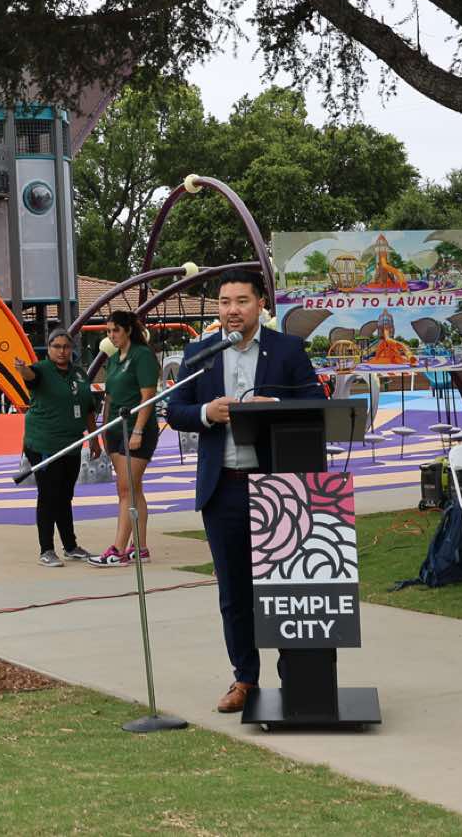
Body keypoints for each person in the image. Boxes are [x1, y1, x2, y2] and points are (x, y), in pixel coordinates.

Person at [165, 269, 321, 713]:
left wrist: (275, 406)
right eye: (224, 302)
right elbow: (174, 410)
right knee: (233, 593)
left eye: (241, 301)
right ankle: (244, 679)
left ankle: (296, 678)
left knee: (285, 586)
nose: (232, 310)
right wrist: (206, 412)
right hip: (223, 490)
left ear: (260, 305)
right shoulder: (200, 353)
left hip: (277, 489)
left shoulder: (287, 349)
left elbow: (316, 401)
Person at [87, 310, 161, 567]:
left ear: (128, 330)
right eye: (108, 331)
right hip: (115, 430)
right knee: (132, 488)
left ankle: (118, 549)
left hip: (137, 430)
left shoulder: (142, 356)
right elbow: (109, 398)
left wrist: (138, 430)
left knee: (126, 487)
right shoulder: (114, 360)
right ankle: (139, 548)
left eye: (115, 330)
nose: (111, 336)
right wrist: (104, 430)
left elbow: (147, 396)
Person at [19, 329, 94, 567]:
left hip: (72, 445)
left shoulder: (79, 373)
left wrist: (94, 438)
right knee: (49, 495)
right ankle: (46, 549)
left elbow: (89, 408)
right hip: (44, 444)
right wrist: (22, 369)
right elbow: (30, 377)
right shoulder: (41, 370)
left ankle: (70, 546)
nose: (62, 351)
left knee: (65, 495)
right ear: (49, 348)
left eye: (66, 347)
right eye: (57, 347)